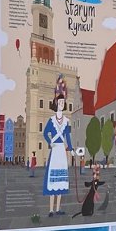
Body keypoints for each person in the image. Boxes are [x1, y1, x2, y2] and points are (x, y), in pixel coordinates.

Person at [41, 79, 74, 217]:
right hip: (55, 150)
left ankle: (58, 208)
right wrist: (50, 142)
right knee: (52, 180)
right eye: (59, 102)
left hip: (62, 150)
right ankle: (50, 209)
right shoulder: (51, 120)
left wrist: (71, 149)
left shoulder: (67, 121)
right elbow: (45, 133)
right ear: (56, 104)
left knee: (61, 181)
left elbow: (68, 136)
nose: (61, 104)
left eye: (62, 102)